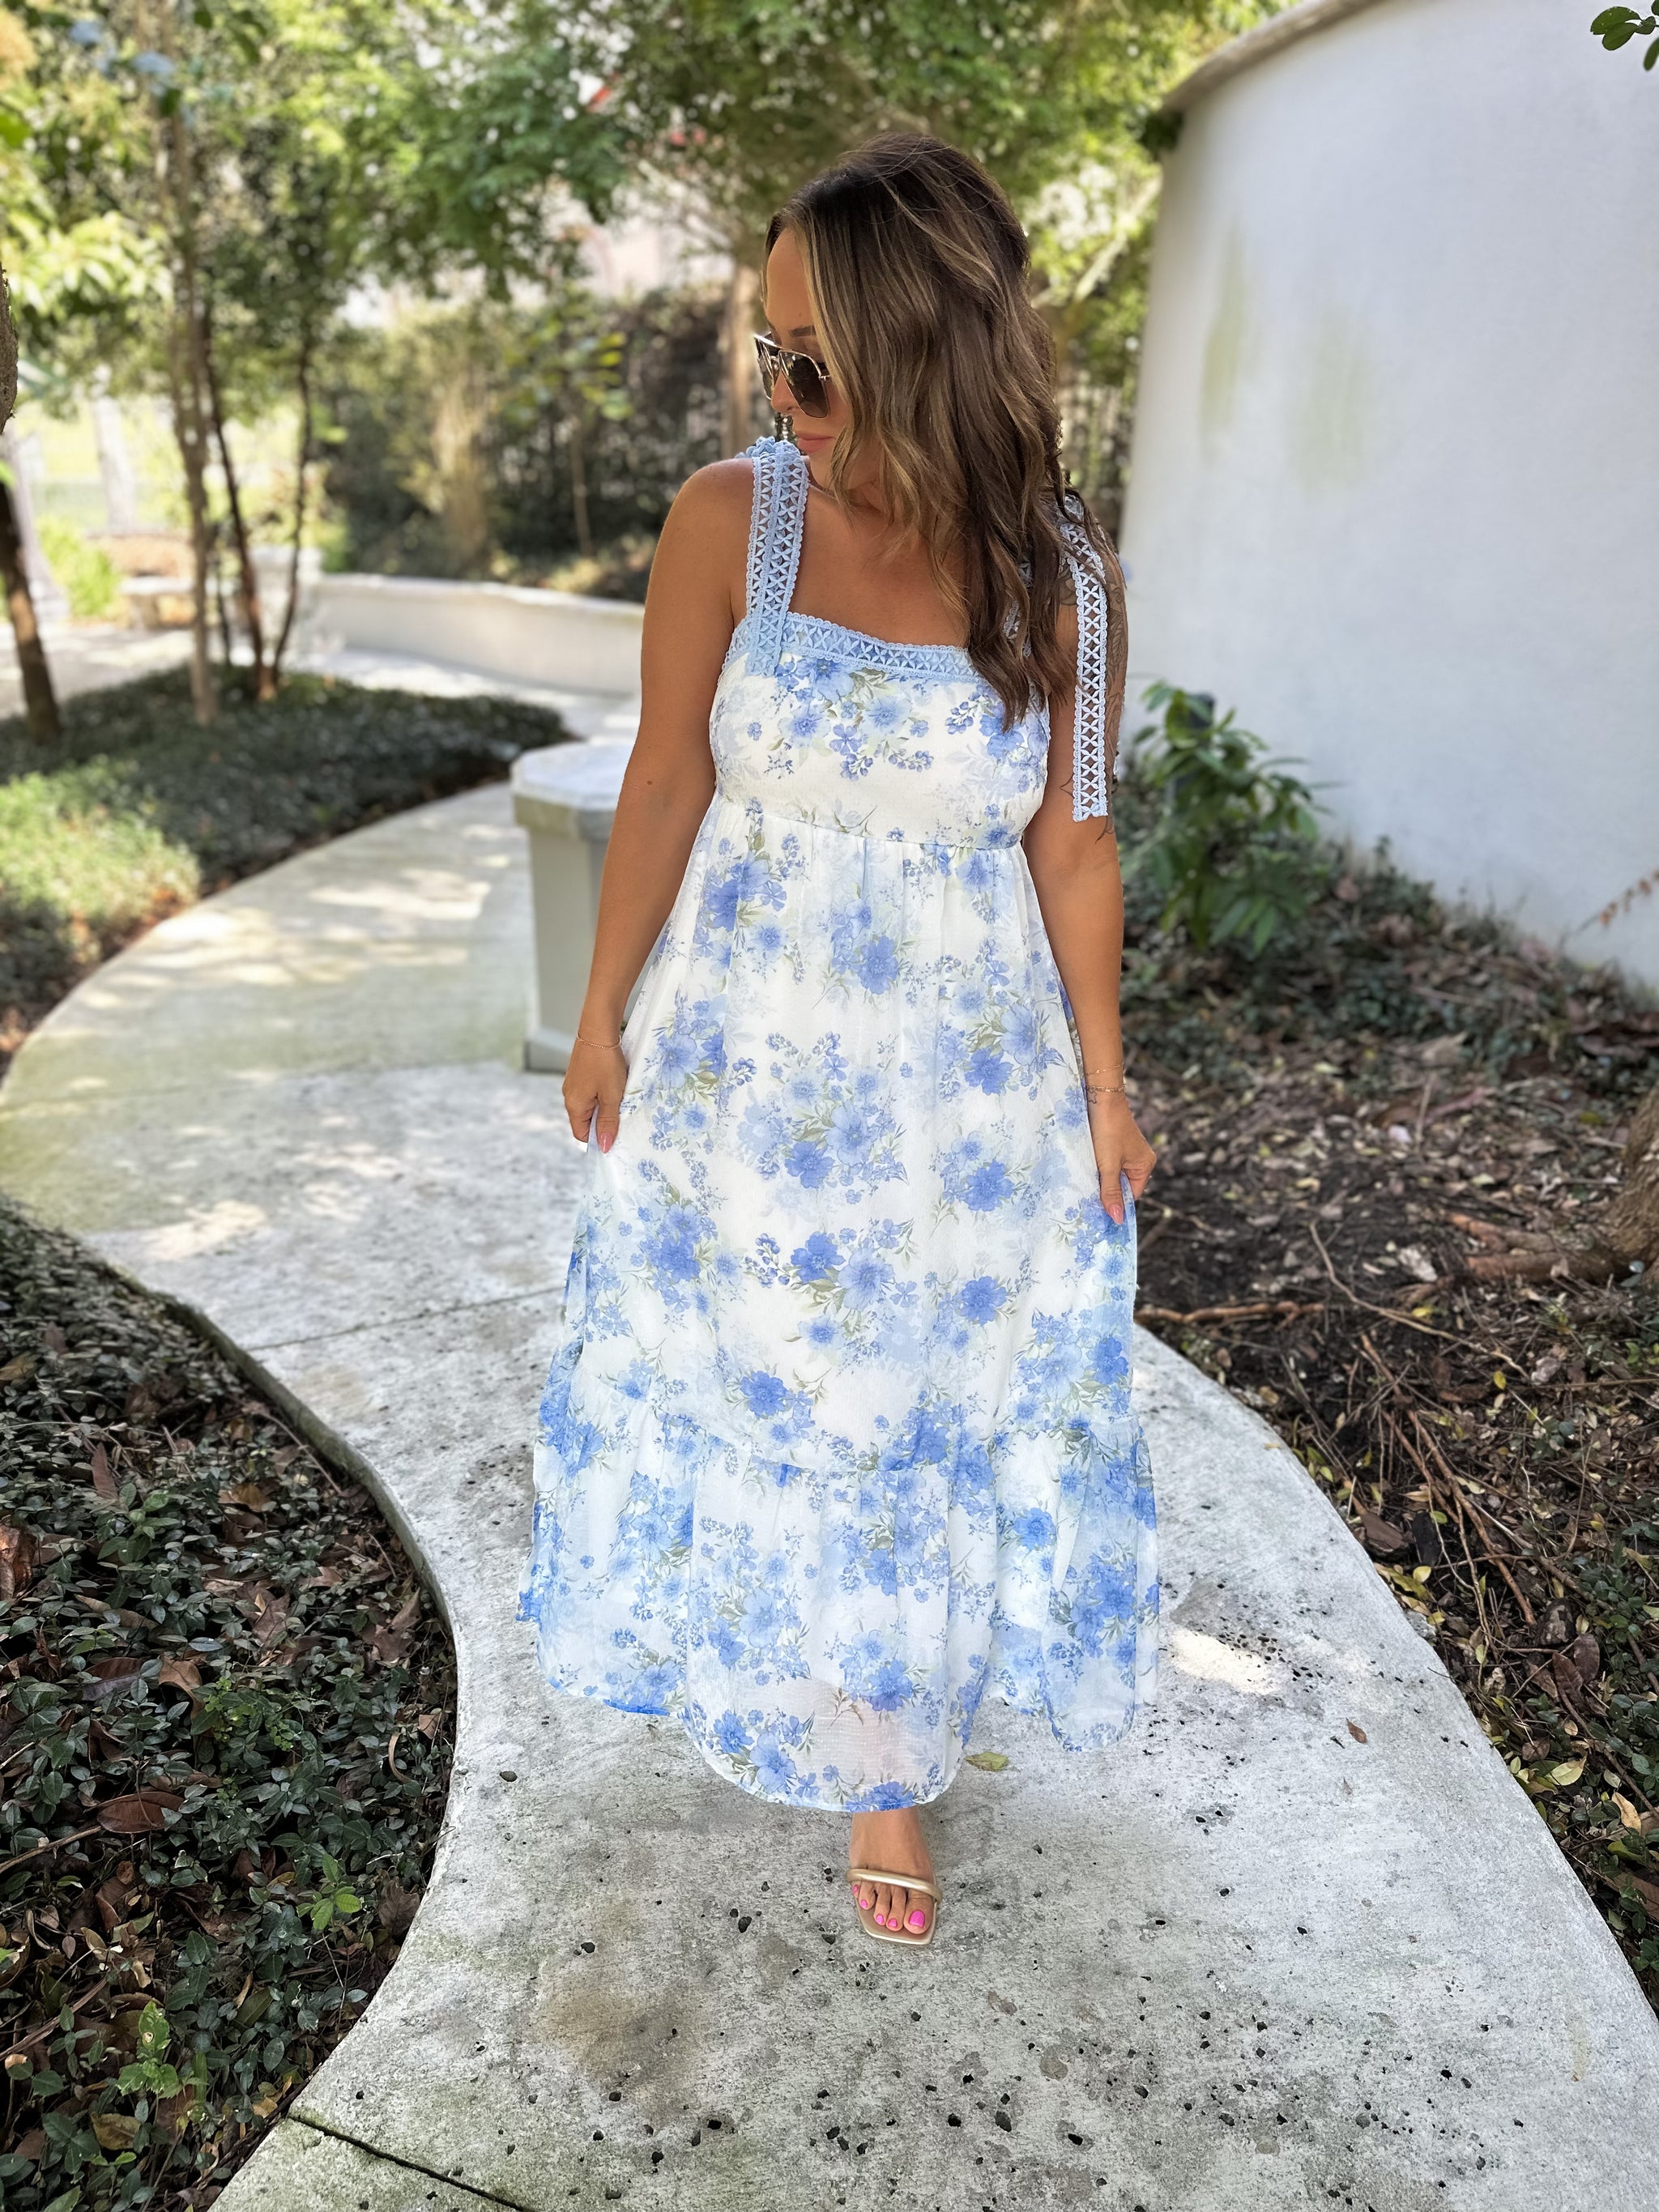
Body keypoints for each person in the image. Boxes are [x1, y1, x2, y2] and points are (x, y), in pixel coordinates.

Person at [517, 133, 1158, 1951]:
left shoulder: (1059, 571)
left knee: (907, 1401)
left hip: (959, 1082)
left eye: (814, 364)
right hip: (750, 1054)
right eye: (770, 356)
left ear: (926, 352)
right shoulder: (733, 522)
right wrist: (601, 1009)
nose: (781, 398)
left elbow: (1075, 842)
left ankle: (886, 1760)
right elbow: (666, 776)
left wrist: (1106, 1091)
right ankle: (754, 1665)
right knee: (761, 1370)